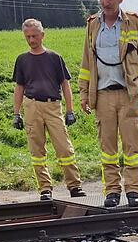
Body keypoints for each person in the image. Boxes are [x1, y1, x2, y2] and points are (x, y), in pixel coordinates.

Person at [77, 0, 138, 208]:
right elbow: (86, 62)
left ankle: (133, 191)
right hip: (102, 95)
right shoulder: (92, 25)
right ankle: (111, 191)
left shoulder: (134, 23)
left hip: (128, 94)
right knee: (108, 148)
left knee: (132, 146)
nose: (105, 2)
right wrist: (84, 93)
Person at [12, 18, 85, 200]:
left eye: (35, 36)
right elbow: (19, 88)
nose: (31, 40)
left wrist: (70, 110)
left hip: (53, 106)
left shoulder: (54, 58)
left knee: (64, 148)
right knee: (37, 151)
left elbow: (65, 84)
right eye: (28, 37)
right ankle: (45, 188)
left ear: (42, 35)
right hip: (31, 106)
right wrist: (16, 114)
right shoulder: (22, 60)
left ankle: (74, 186)